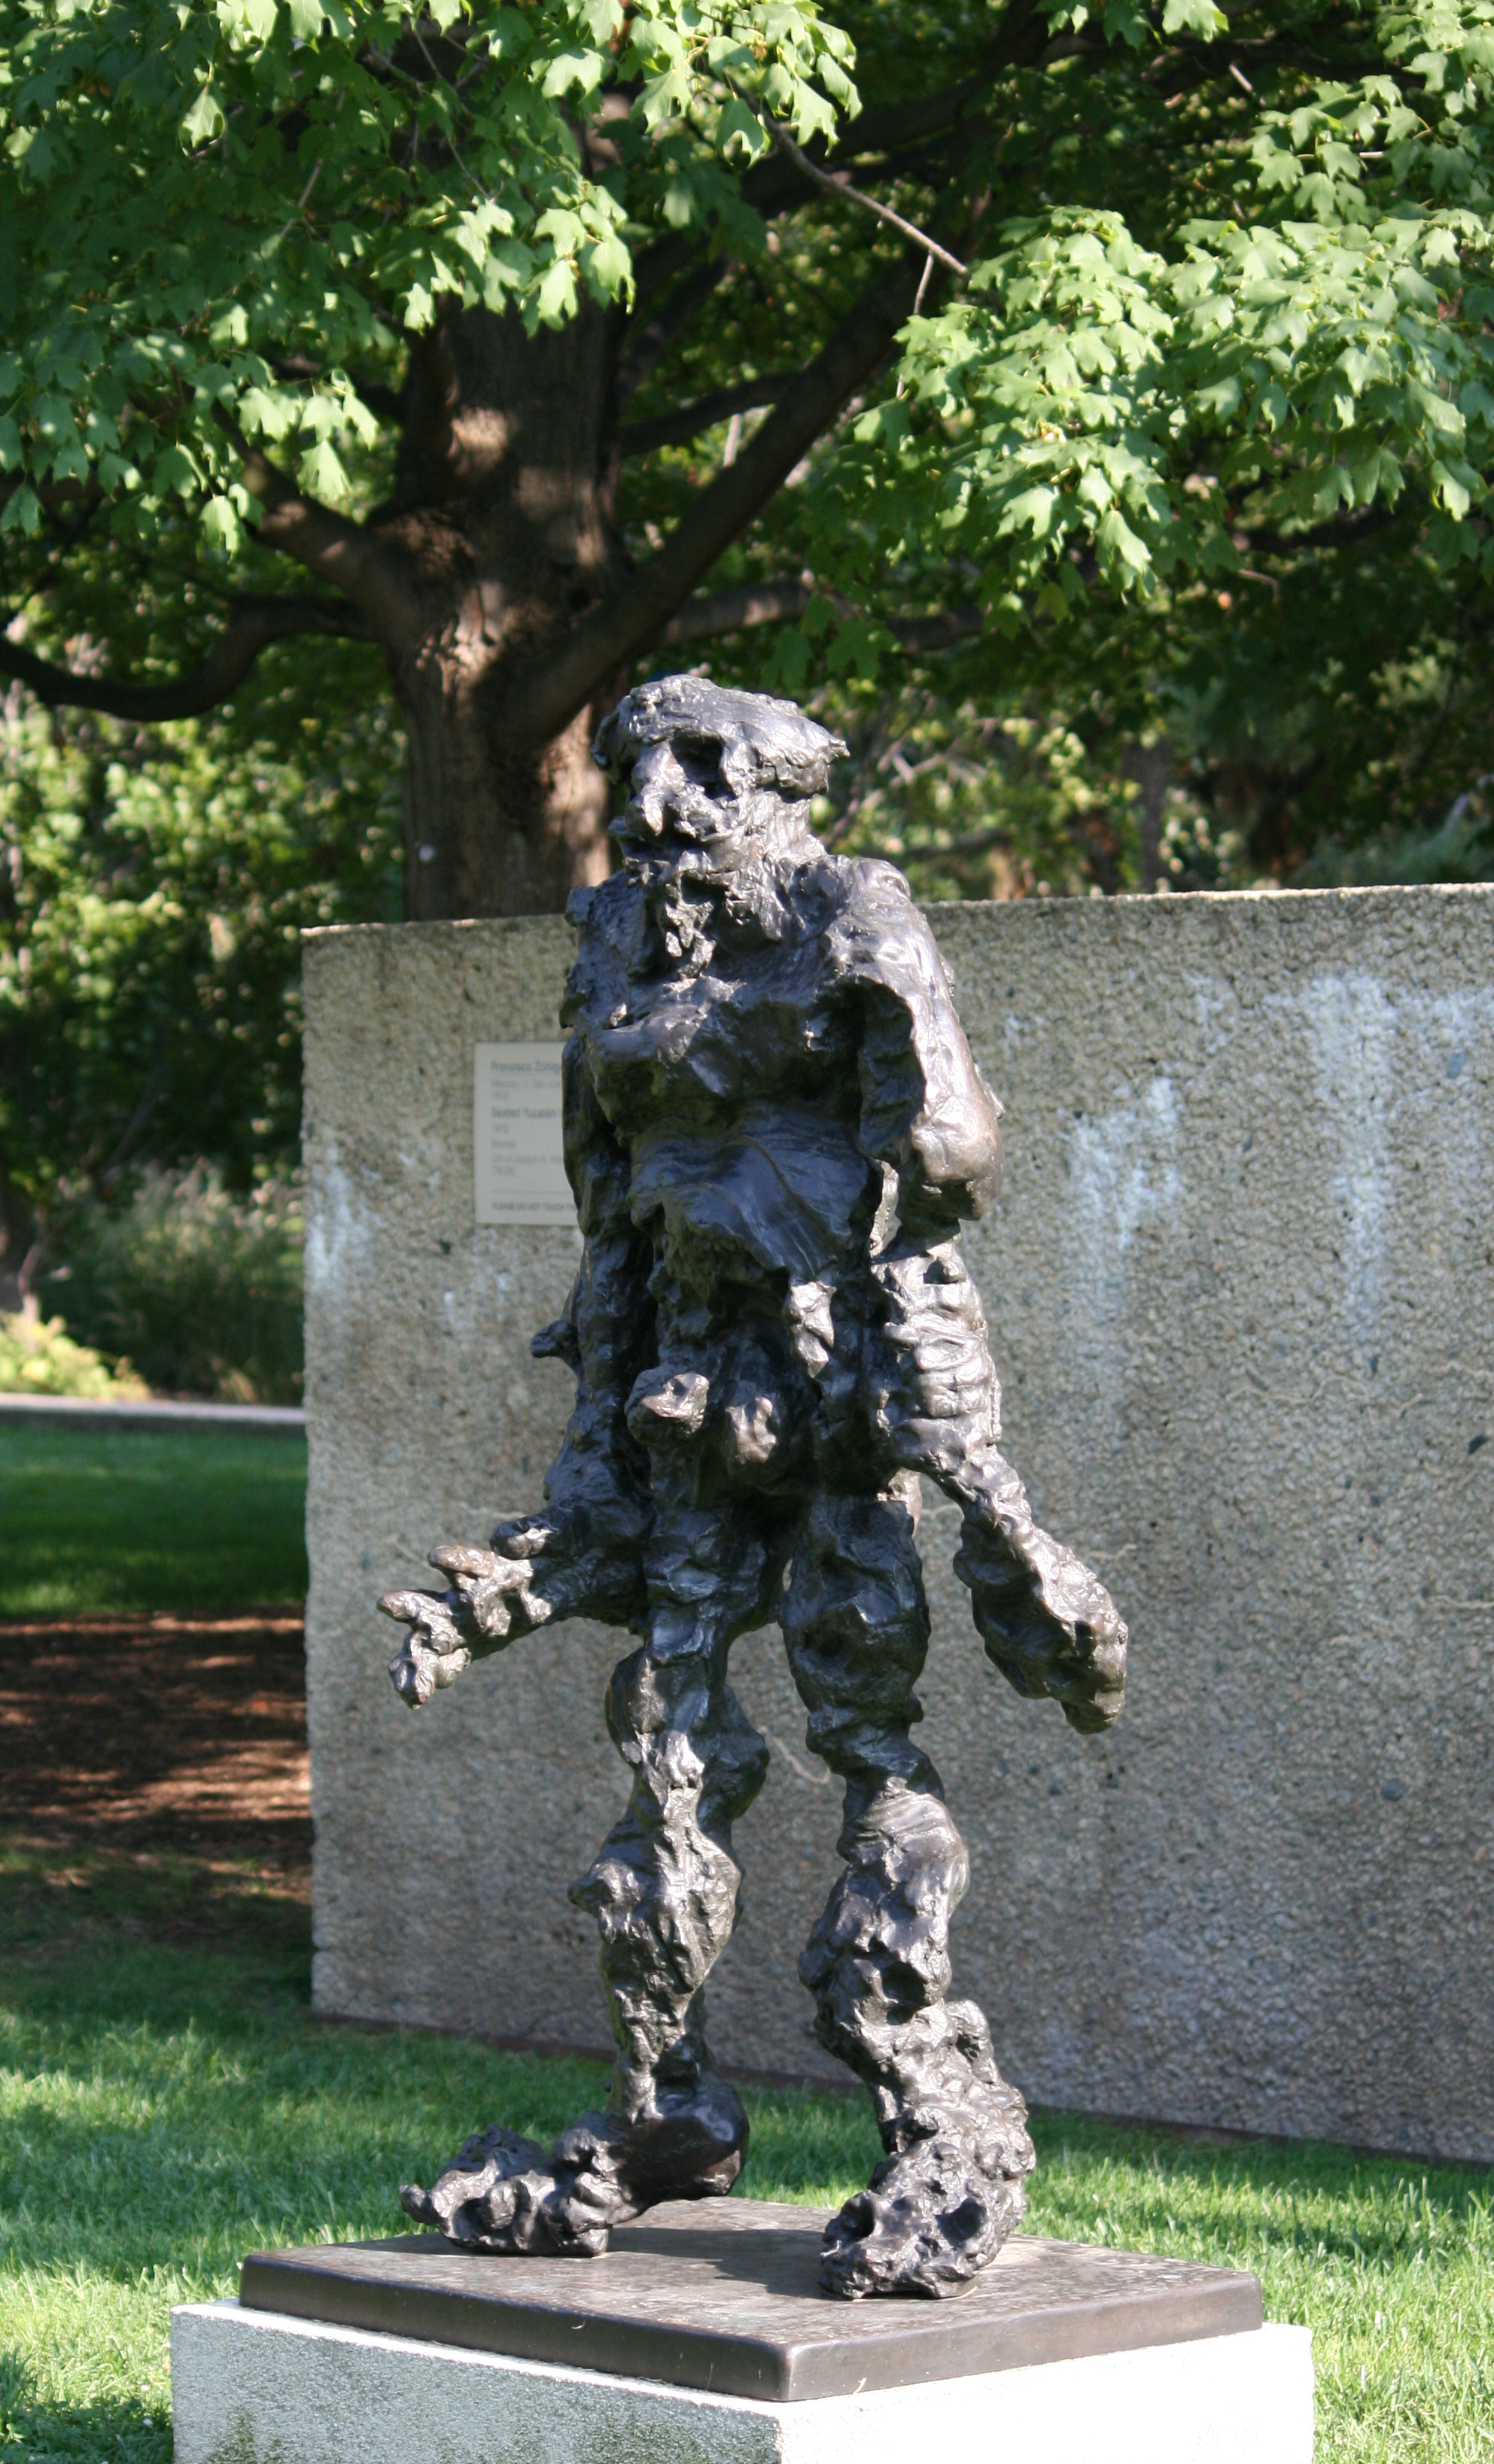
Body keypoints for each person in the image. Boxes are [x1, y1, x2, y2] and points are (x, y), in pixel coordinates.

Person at [382, 676, 1126, 2297]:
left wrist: (964, 1454)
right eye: (634, 767)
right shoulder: (612, 943)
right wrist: (582, 1479)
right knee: (669, 1748)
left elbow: (947, 1161)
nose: (656, 807)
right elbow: (607, 1213)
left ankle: (936, 2107)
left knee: (866, 1736)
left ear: (785, 789)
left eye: (705, 768)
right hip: (683, 1386)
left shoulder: (852, 918)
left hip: (842, 1386)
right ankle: (669, 2109)